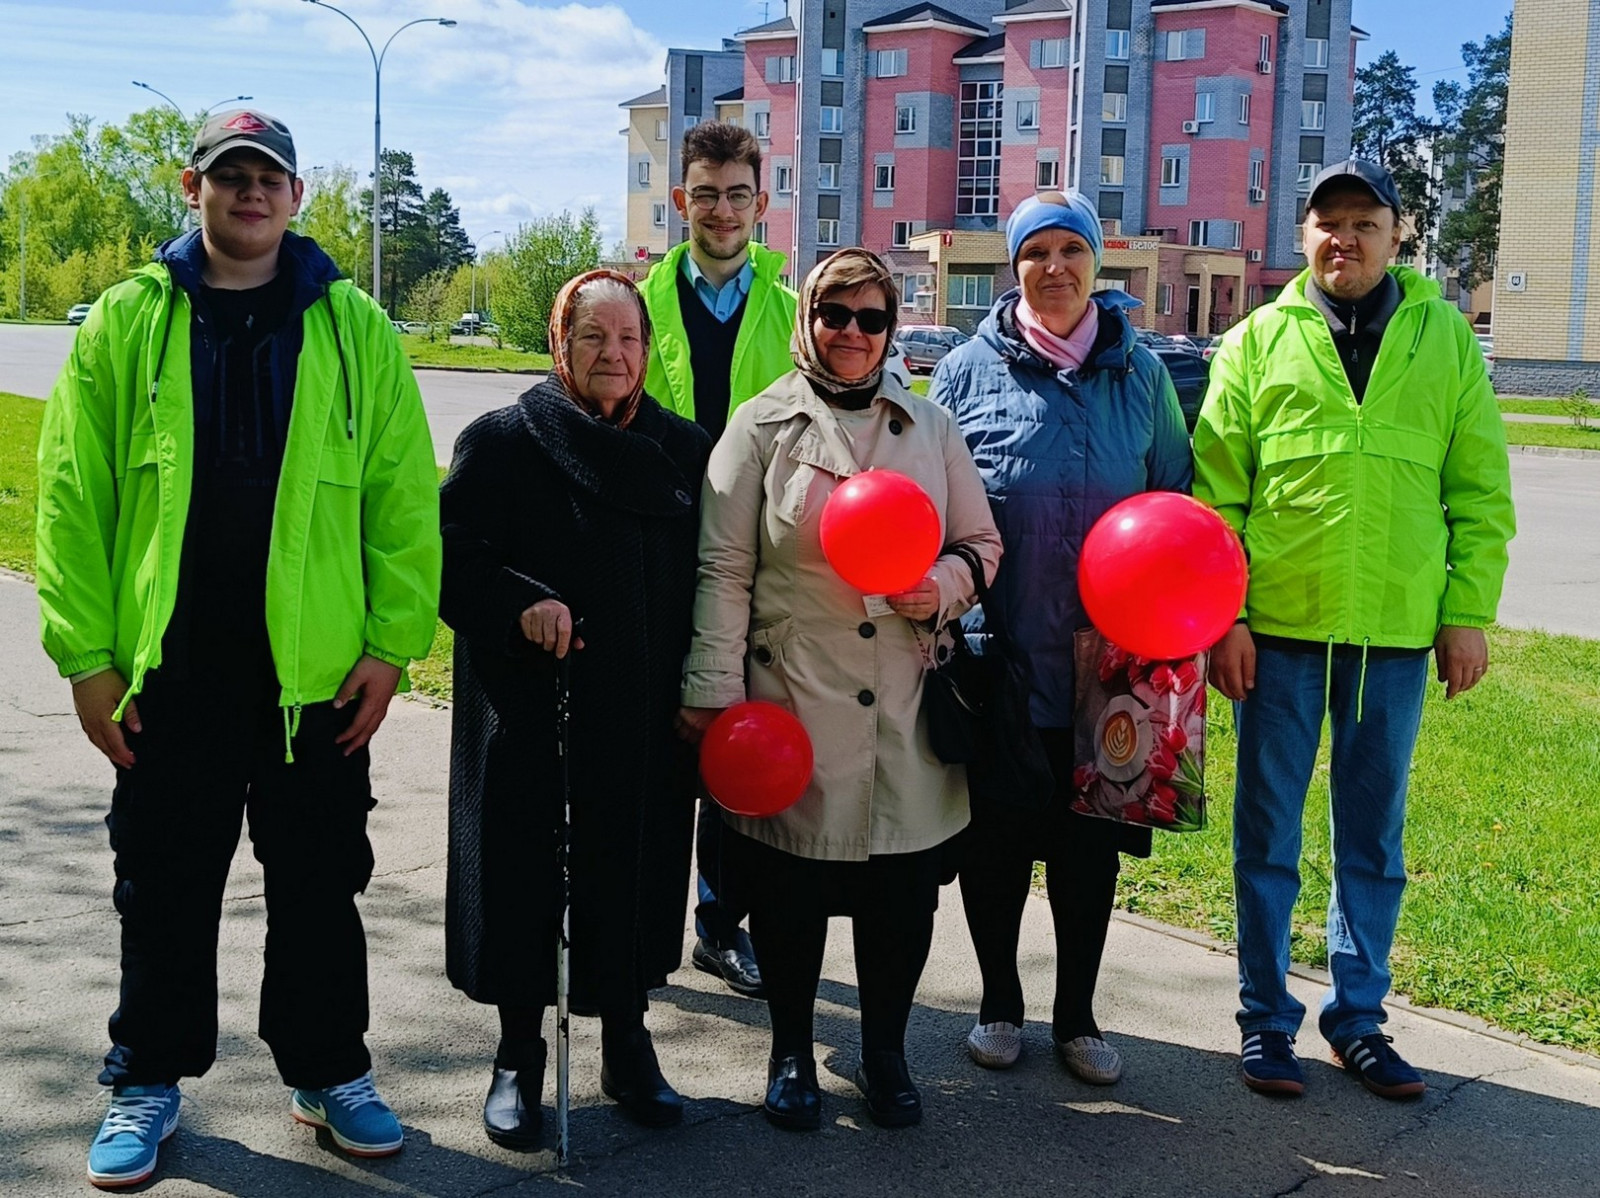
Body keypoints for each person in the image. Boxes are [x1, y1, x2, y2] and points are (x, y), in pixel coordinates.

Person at [35, 109, 442, 1188]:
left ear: (298, 196)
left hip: (314, 683)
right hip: (170, 674)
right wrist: (86, 657)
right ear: (193, 186)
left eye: (269, 177)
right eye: (230, 176)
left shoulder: (355, 328)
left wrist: (392, 645)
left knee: (318, 884)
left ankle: (326, 1072)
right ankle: (147, 1077)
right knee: (163, 886)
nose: (249, 193)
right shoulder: (129, 320)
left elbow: (403, 499)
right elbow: (71, 498)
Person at [1193, 159, 1516, 1100]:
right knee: (1267, 834)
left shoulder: (1446, 338)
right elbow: (1217, 497)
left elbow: (1480, 490)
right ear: (1302, 236)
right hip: (1281, 636)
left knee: (1372, 837)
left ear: (1397, 232)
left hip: (1394, 637)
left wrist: (1464, 614)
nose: (1346, 237)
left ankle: (1358, 1019)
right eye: (1328, 222)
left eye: (1364, 221)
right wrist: (1230, 619)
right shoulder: (1257, 341)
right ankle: (1265, 1022)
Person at [678, 248, 1003, 1131]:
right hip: (792, 700)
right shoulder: (759, 426)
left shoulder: (929, 428)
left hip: (905, 698)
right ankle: (790, 1051)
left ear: (892, 328)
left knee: (901, 895)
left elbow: (982, 543)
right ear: (808, 322)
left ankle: (887, 1051)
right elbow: (723, 569)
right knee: (788, 890)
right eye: (835, 315)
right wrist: (711, 690)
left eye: (871, 318)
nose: (853, 335)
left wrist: (941, 586)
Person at [442, 271, 711, 1145]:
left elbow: (715, 577)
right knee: (522, 874)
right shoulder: (504, 440)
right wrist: (520, 599)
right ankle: (518, 1054)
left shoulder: (681, 449)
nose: (614, 355)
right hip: (530, 706)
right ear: (560, 344)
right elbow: (449, 559)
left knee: (630, 867)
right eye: (593, 337)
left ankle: (627, 1043)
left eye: (629, 339)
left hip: (640, 708)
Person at [931, 192, 1193, 1086]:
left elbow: (1172, 497)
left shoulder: (1141, 373)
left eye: (1069, 249)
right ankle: (999, 1002)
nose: (1053, 267)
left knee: (1086, 854)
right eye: (1034, 251)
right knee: (997, 846)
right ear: (1013, 266)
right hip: (1000, 658)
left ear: (1097, 262)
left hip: (1111, 668)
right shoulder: (966, 371)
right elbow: (936, 508)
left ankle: (1077, 1016)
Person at [639, 119, 798, 998]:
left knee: (742, 740)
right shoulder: (639, 300)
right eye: (706, 193)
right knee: (664, 741)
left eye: (739, 194)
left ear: (761, 203)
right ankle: (643, 927)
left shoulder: (791, 306)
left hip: (758, 558)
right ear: (681, 201)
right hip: (658, 557)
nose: (723, 210)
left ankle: (721, 922)